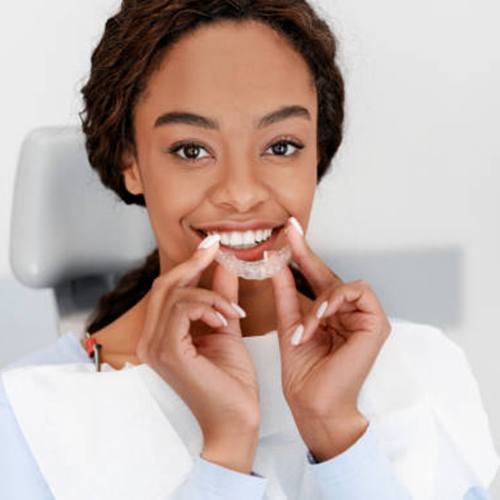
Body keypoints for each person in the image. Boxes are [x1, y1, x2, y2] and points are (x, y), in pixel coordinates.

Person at [1, 1, 498, 498]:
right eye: (192, 150)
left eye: (281, 146)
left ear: (317, 152)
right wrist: (226, 449)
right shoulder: (31, 416)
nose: (241, 192)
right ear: (131, 160)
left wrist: (337, 432)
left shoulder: (420, 374)